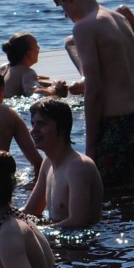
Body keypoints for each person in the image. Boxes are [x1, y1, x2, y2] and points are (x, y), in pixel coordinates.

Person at [53, 0, 134, 185]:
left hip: (116, 123)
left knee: (104, 191)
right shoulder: (120, 19)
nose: (67, 15)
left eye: (64, 9)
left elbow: (95, 90)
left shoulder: (85, 28)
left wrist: (90, 148)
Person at [22, 98, 103, 229]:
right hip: (57, 238)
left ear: (63, 129)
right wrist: (0, 219)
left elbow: (78, 222)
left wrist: (37, 232)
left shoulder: (78, 167)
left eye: (41, 124)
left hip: (80, 246)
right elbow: (31, 210)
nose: (33, 131)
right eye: (33, 124)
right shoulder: (47, 163)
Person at [0, 32, 68, 97]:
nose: (39, 49)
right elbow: (35, 95)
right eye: (36, 46)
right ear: (29, 53)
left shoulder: (4, 68)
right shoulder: (28, 72)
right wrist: (55, 88)